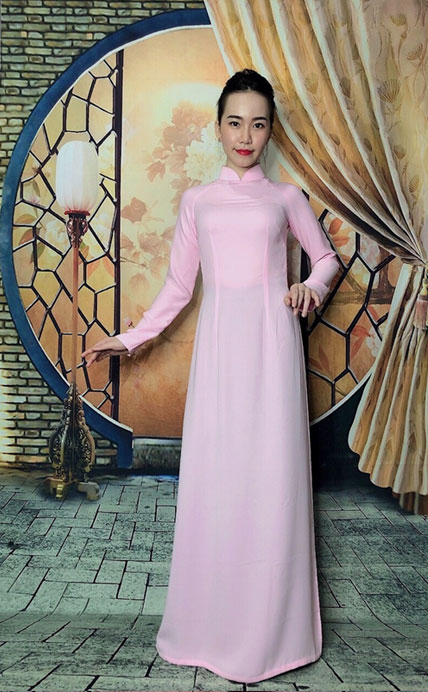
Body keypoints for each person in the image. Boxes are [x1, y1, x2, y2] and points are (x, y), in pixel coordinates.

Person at [82, 69, 339, 684]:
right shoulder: (198, 202)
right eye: (235, 122)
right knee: (219, 483)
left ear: (271, 131)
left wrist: (308, 286)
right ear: (218, 127)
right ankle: (209, 630)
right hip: (220, 354)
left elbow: (327, 259)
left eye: (258, 124)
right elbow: (178, 289)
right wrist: (128, 338)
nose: (246, 136)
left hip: (274, 350)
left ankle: (273, 636)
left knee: (272, 479)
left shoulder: (287, 199)